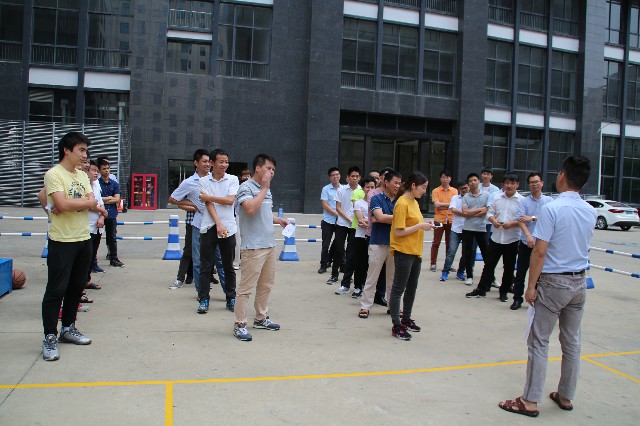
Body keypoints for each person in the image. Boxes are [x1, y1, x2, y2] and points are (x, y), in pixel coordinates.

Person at [498, 156, 596, 418]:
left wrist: (531, 286)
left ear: (562, 175)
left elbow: (540, 251)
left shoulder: (553, 208)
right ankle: (566, 395)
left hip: (554, 282)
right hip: (579, 281)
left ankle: (530, 400)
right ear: (584, 182)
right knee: (572, 341)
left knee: (539, 341)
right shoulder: (590, 211)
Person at [41, 132, 98, 362]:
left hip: (83, 239)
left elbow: (92, 202)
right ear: (67, 150)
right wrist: (63, 204)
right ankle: (49, 336)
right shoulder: (54, 174)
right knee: (56, 290)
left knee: (76, 287)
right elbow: (62, 203)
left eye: (86, 150)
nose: (85, 155)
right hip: (62, 241)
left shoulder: (82, 175)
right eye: (81, 150)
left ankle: (68, 328)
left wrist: (68, 203)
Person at [233, 154, 289, 342]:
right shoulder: (246, 187)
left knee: (266, 285)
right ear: (258, 168)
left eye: (273, 169)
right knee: (246, 288)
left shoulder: (266, 190)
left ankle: (260, 318)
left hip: (268, 244)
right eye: (268, 168)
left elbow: (263, 211)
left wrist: (278, 219)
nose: (271, 172)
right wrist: (264, 188)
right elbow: (250, 209)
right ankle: (240, 324)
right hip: (253, 247)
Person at [389, 172, 435, 340]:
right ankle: (396, 324)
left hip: (415, 251)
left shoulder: (414, 202)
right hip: (403, 251)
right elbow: (399, 231)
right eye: (423, 187)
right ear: (414, 185)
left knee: (411, 288)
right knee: (398, 289)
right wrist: (420, 226)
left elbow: (414, 224)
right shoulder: (402, 204)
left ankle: (406, 318)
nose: (424, 191)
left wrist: (424, 225)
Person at [466, 172, 524, 300]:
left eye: (512, 183)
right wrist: (493, 221)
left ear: (517, 185)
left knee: (509, 267)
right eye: (507, 183)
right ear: (503, 184)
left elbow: (522, 219)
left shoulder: (521, 201)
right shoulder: (497, 198)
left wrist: (512, 224)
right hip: (496, 237)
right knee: (489, 265)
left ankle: (504, 292)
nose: (509, 186)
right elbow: (489, 213)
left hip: (512, 239)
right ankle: (481, 289)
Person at [198, 149, 239, 313]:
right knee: (206, 266)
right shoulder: (204, 181)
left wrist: (209, 197)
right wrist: (218, 224)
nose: (224, 165)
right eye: (221, 162)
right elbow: (208, 205)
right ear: (212, 163)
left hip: (228, 228)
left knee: (228, 265)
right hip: (209, 226)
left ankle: (231, 298)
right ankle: (203, 299)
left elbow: (229, 201)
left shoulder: (233, 179)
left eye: (226, 162)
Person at [358, 169, 402, 319]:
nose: (398, 186)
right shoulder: (376, 198)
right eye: (395, 183)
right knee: (372, 276)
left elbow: (382, 218)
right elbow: (379, 217)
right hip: (377, 242)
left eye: (399, 183)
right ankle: (365, 307)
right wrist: (400, 217)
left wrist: (385, 217)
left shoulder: (400, 200)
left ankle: (393, 307)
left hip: (395, 243)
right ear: (386, 182)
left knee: (393, 278)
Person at [168, 149, 210, 293]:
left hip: (211, 221)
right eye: (204, 161)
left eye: (209, 161)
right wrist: (191, 205)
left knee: (208, 253)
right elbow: (173, 199)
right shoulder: (189, 182)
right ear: (196, 163)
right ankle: (180, 278)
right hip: (193, 221)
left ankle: (202, 279)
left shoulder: (213, 179)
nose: (207, 164)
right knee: (189, 251)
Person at [511, 173, 553, 310]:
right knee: (521, 272)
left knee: (539, 274)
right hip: (526, 242)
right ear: (529, 185)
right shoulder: (524, 201)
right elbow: (520, 220)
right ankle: (517, 299)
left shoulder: (549, 201)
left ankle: (536, 300)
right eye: (531, 182)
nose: (534, 184)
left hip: (542, 243)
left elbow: (550, 219)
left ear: (542, 183)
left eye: (537, 181)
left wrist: (532, 218)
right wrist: (528, 235)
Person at [327, 166, 361, 284]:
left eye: (357, 176)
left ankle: (347, 276)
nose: (355, 178)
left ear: (359, 177)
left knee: (351, 251)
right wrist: (348, 218)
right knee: (339, 248)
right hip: (342, 223)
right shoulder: (341, 190)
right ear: (348, 177)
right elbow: (338, 207)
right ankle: (334, 275)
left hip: (354, 225)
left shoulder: (361, 191)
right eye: (352, 176)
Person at [460, 173, 490, 286]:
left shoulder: (486, 195)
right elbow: (465, 212)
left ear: (479, 181)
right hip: (468, 228)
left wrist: (471, 212)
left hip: (481, 228)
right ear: (468, 184)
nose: (473, 182)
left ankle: (490, 277)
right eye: (470, 181)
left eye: (475, 180)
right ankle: (469, 276)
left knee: (486, 253)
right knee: (468, 252)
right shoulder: (465, 197)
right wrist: (479, 210)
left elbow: (487, 210)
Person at [440, 180, 469, 282]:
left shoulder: (472, 199)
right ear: (458, 189)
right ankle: (445, 271)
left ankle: (460, 272)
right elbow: (453, 209)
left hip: (468, 229)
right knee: (451, 252)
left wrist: (469, 213)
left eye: (465, 188)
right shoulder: (455, 198)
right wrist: (466, 213)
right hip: (456, 229)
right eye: (461, 188)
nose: (464, 190)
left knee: (465, 253)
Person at [86, 160, 108, 289]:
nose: (96, 173)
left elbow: (100, 202)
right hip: (86, 227)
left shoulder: (96, 184)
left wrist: (102, 216)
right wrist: (103, 212)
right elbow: (89, 205)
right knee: (85, 257)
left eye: (97, 171)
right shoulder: (84, 185)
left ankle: (87, 280)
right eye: (93, 170)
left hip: (98, 227)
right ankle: (81, 282)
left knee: (92, 255)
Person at [98, 158, 124, 267]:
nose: (107, 171)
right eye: (104, 169)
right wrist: (109, 198)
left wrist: (104, 199)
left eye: (108, 168)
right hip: (99, 214)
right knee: (96, 238)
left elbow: (117, 199)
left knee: (112, 237)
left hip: (112, 214)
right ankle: (93, 261)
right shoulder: (96, 184)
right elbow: (96, 199)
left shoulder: (114, 184)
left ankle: (113, 258)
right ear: (100, 170)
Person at [430, 170, 458, 272]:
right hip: (439, 219)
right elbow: (436, 205)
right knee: (436, 242)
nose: (445, 179)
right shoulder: (435, 191)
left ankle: (448, 264)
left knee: (449, 244)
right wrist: (449, 205)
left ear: (450, 179)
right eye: (443, 177)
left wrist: (442, 205)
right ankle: (433, 263)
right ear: (440, 178)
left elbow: (455, 205)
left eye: (447, 177)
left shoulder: (455, 191)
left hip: (451, 219)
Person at [319, 167, 341, 274]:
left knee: (338, 244)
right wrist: (337, 214)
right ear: (329, 177)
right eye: (333, 175)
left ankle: (332, 261)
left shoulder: (343, 189)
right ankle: (323, 265)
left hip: (340, 222)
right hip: (328, 221)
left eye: (337, 174)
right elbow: (325, 205)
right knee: (325, 245)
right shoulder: (326, 189)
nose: (335, 176)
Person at [170, 201, 195, 289]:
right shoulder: (189, 191)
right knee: (188, 251)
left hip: (205, 224)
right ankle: (180, 278)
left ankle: (192, 276)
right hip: (191, 223)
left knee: (202, 252)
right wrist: (196, 208)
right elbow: (179, 203)